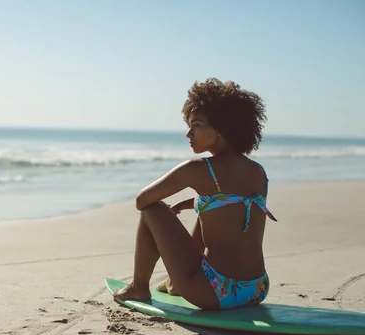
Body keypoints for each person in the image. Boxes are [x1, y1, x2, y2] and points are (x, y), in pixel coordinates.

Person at [113, 78, 277, 310]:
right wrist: (195, 202)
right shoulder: (257, 171)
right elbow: (232, 202)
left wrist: (171, 214)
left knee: (154, 209)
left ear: (221, 128)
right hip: (257, 288)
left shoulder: (197, 170)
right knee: (208, 206)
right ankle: (175, 284)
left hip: (215, 292)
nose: (189, 133)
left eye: (196, 125)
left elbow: (142, 200)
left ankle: (139, 287)